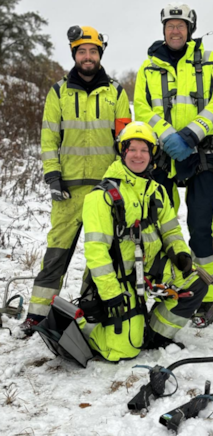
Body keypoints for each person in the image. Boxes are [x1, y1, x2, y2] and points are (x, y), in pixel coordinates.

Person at [22, 26, 132, 334]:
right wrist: (52, 174)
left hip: (104, 190)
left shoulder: (116, 92)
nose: (88, 57)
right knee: (57, 252)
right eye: (82, 51)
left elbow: (124, 140)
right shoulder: (58, 92)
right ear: (74, 55)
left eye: (93, 51)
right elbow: (48, 136)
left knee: (101, 252)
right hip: (67, 190)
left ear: (100, 55)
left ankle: (89, 308)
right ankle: (37, 316)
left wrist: (119, 182)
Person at [134, 3, 213, 327]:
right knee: (163, 227)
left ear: (190, 30)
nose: (175, 31)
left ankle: (208, 297)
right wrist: (166, 136)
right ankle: (174, 288)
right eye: (170, 26)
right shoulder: (148, 68)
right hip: (164, 155)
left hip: (202, 155)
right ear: (163, 30)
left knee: (200, 229)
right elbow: (142, 107)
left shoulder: (211, 60)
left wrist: (191, 134)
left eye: (181, 25)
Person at [78, 122, 208, 360]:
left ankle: (157, 334)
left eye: (144, 150)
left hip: (151, 267)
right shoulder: (102, 196)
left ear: (153, 155)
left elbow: (171, 231)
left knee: (198, 283)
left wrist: (181, 254)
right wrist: (110, 293)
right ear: (122, 151)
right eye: (132, 149)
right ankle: (96, 329)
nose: (138, 155)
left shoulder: (157, 191)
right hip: (119, 277)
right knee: (124, 349)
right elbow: (96, 252)